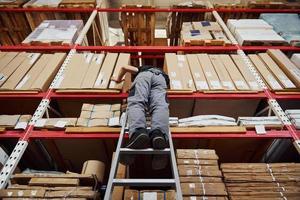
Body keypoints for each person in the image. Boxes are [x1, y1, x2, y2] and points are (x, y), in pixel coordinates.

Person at [111, 65, 170, 170]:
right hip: (161, 80)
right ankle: (158, 134)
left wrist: (118, 79)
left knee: (136, 102)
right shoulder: (162, 74)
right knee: (160, 106)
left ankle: (138, 132)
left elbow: (124, 67)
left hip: (144, 76)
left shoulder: (143, 69)